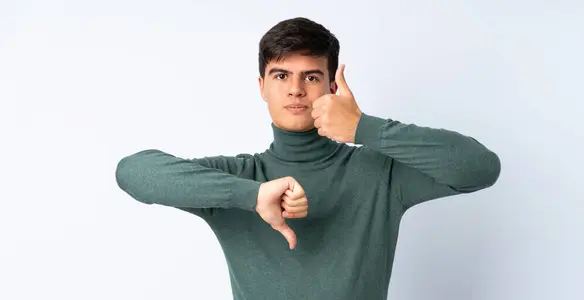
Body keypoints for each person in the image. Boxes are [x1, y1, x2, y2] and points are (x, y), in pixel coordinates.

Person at [115, 16, 501, 300]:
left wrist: (365, 128)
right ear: (261, 87)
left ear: (333, 86)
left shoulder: (377, 173)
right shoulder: (237, 178)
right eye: (281, 76)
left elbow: (480, 168)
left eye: (311, 77)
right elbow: (133, 171)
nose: (296, 90)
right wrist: (252, 196)